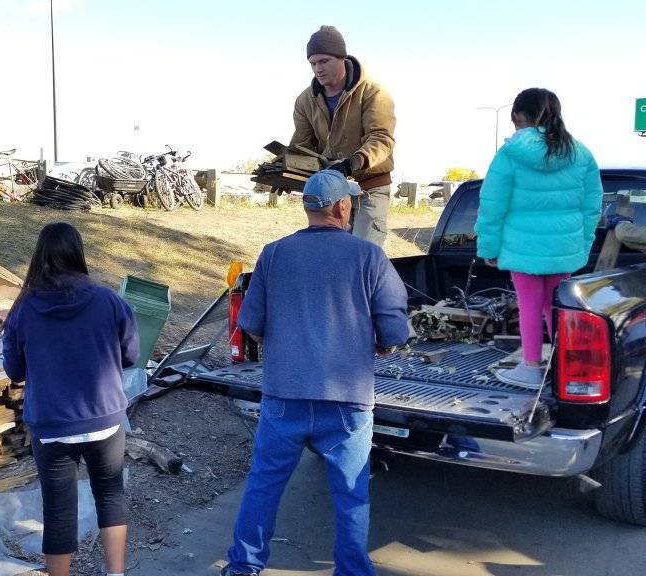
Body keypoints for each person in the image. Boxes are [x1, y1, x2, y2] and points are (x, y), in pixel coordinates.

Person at [221, 169, 410, 576]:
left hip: (284, 394)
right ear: (344, 206)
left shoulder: (274, 253)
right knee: (350, 494)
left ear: (306, 207)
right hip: (347, 401)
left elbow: (251, 323)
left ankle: (243, 568)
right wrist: (382, 341)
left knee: (264, 485)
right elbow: (394, 329)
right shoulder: (369, 256)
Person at [2, 222, 139, 576]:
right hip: (105, 420)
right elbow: (131, 355)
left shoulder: (24, 309)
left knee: (59, 511)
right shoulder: (108, 300)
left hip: (51, 426)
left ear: (39, 256)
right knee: (110, 496)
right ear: (78, 254)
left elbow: (14, 370)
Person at [474, 88, 603, 389]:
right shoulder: (581, 153)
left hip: (523, 248)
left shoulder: (510, 153)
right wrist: (581, 244)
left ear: (518, 116)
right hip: (564, 247)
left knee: (529, 305)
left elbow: (493, 204)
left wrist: (488, 247)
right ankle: (562, 365)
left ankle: (531, 367)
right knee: (555, 306)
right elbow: (592, 205)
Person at [290, 25, 396, 247]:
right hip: (330, 193)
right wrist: (285, 171)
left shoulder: (373, 93)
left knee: (363, 256)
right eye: (313, 63)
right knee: (331, 254)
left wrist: (349, 165)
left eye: (324, 61)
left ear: (342, 58)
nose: (318, 68)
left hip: (370, 188)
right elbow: (302, 146)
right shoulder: (304, 101)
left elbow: (381, 139)